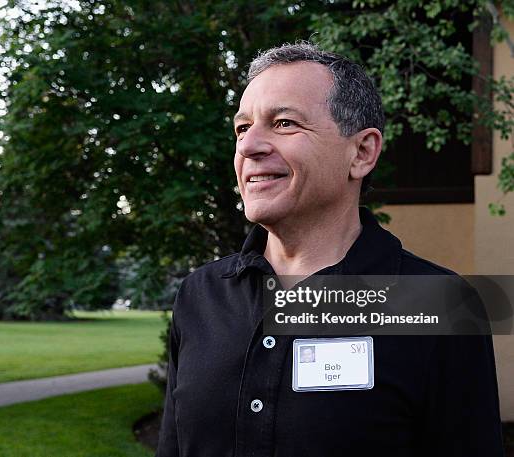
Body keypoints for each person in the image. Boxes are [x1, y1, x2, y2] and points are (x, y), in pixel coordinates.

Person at [155, 42, 503, 457]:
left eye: (283, 123)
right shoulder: (201, 294)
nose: (248, 147)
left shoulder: (440, 305)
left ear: (362, 152)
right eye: (242, 128)